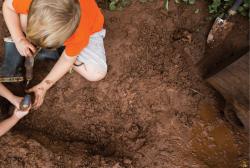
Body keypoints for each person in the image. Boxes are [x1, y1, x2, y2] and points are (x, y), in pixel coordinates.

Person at [2, 0, 108, 109]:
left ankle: (62, 51)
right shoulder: (29, 1)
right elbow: (8, 6)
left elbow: (67, 60)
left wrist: (44, 86)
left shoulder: (79, 32)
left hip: (89, 30)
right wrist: (19, 38)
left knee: (96, 73)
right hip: (56, 25)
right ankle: (47, 46)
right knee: (24, 20)